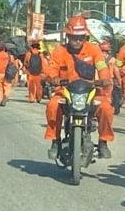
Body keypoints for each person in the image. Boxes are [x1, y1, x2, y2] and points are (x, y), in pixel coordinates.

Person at [44, 16, 114, 159]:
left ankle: (103, 142)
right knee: (52, 106)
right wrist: (53, 78)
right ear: (68, 36)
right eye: (74, 37)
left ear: (85, 37)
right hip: (65, 92)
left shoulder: (94, 50)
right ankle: (55, 141)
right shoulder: (59, 51)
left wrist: (105, 79)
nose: (78, 41)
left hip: (91, 92)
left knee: (106, 108)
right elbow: (51, 69)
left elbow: (102, 67)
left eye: (81, 38)